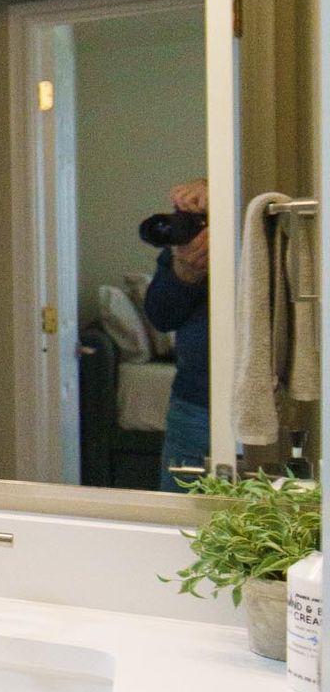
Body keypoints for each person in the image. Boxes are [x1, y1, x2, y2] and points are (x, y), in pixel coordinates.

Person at [143, 177, 209, 488]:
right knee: (178, 523)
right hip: (192, 404)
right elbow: (160, 316)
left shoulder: (257, 229)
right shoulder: (186, 246)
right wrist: (185, 274)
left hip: (261, 404)